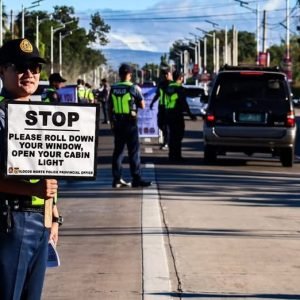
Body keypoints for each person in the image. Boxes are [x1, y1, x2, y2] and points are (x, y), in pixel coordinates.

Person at [0, 38, 61, 300]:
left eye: (35, 68)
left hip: (41, 221)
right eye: (20, 67)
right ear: (2, 70)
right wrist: (31, 188)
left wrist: (54, 214)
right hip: (10, 222)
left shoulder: (42, 114)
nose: (29, 74)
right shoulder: (1, 116)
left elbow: (49, 167)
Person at [109, 63, 152, 188]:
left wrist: (112, 122)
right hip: (130, 123)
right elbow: (143, 105)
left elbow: (109, 106)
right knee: (133, 152)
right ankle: (136, 179)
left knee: (118, 152)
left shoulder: (114, 88)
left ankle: (116, 179)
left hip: (117, 123)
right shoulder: (134, 87)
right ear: (129, 74)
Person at [165, 70, 197, 162]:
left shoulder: (168, 87)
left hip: (169, 113)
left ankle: (171, 155)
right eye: (182, 77)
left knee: (172, 135)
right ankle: (177, 156)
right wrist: (190, 115)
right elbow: (184, 103)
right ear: (180, 78)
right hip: (177, 115)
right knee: (178, 136)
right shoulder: (180, 88)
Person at [149, 67, 173, 150]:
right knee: (160, 124)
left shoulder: (172, 84)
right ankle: (167, 139)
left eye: (167, 74)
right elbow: (157, 95)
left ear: (170, 74)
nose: (166, 76)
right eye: (164, 74)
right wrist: (152, 103)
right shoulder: (161, 84)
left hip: (169, 108)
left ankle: (166, 142)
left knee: (166, 126)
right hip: (161, 107)